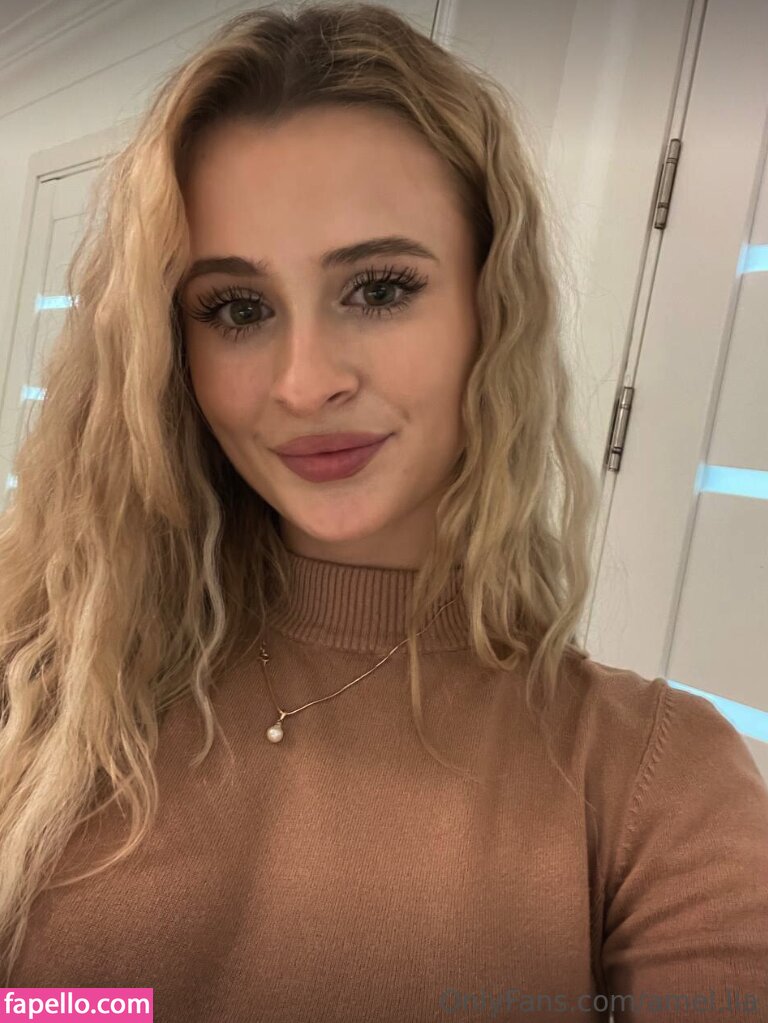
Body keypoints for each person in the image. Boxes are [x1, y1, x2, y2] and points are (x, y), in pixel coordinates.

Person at [1, 4, 767, 1020]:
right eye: (238, 308)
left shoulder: (650, 784)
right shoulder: (37, 674)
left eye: (378, 289)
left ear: (491, 306)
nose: (304, 381)